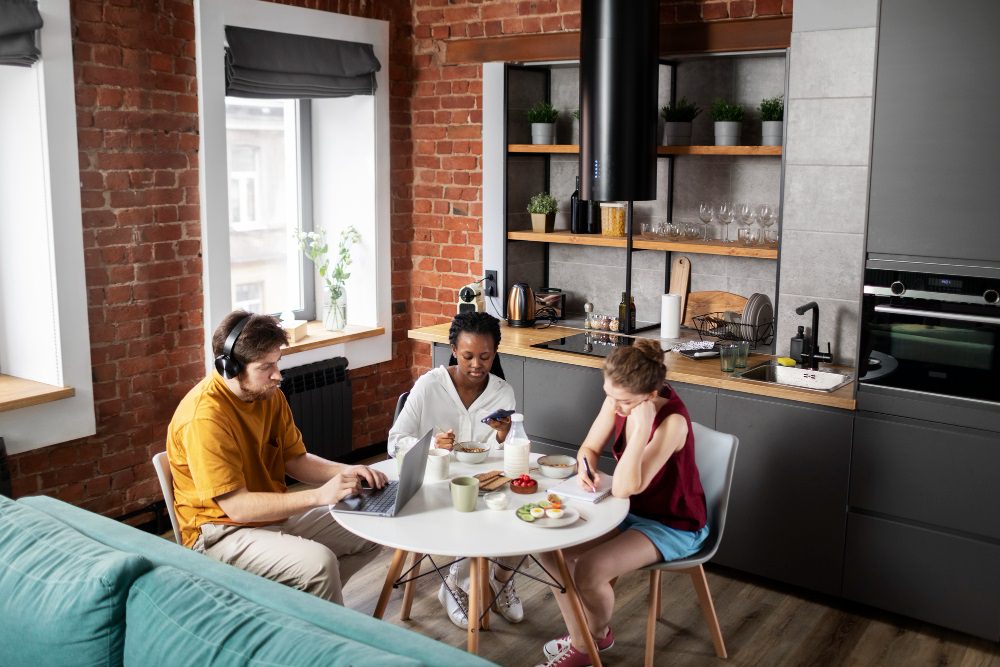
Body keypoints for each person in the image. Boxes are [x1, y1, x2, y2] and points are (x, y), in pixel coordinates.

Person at [167, 310, 384, 605]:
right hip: (220, 533)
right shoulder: (204, 418)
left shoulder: (268, 396)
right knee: (318, 564)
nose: (277, 375)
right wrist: (319, 496)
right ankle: (323, 636)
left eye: (277, 362)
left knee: (372, 527)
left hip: (271, 517)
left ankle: (298, 613)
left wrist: (349, 470)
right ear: (229, 368)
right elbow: (238, 508)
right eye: (265, 367)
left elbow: (296, 460)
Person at [535, 339, 709, 667]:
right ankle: (584, 638)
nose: (615, 406)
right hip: (629, 512)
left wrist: (641, 427)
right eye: (609, 395)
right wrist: (586, 468)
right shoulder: (618, 398)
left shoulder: (672, 423)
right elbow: (588, 447)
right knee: (550, 547)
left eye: (624, 402)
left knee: (589, 570)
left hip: (672, 523)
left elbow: (626, 487)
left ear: (650, 395)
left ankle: (587, 645)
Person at [388, 311, 525, 629]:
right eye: (467, 356)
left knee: (519, 505)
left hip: (482, 485)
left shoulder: (502, 393)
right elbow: (395, 442)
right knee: (472, 508)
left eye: (485, 357)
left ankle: (499, 580)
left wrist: (503, 435)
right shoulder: (429, 386)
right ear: (453, 349)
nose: (477, 365)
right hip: (432, 484)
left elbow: (499, 458)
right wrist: (433, 444)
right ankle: (455, 586)